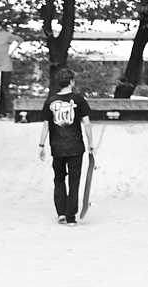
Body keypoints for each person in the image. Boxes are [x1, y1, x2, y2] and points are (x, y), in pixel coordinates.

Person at [38, 68, 93, 227]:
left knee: (59, 179)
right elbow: (87, 124)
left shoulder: (50, 101)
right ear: (71, 82)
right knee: (74, 181)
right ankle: (71, 218)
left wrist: (41, 145)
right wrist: (90, 143)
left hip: (57, 147)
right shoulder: (79, 100)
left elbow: (46, 125)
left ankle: (61, 213)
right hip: (75, 147)